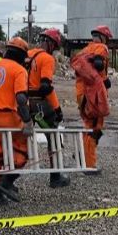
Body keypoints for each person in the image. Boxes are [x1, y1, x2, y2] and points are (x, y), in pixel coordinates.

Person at [0, 37, 33, 205]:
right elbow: (21, 97)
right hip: (7, 117)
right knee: (22, 152)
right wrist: (27, 121)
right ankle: (6, 183)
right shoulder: (19, 70)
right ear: (22, 55)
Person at [27, 28, 70, 188]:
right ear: (51, 44)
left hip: (25, 102)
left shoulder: (28, 54)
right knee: (53, 138)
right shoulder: (47, 59)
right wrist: (57, 109)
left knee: (19, 139)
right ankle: (55, 177)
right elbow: (46, 87)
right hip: (40, 104)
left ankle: (7, 180)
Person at [72, 25, 113, 174]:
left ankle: (81, 154)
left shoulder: (85, 50)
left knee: (88, 124)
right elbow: (98, 64)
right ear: (103, 38)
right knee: (94, 128)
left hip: (81, 94)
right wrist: (103, 81)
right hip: (92, 95)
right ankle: (89, 165)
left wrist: (105, 79)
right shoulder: (101, 47)